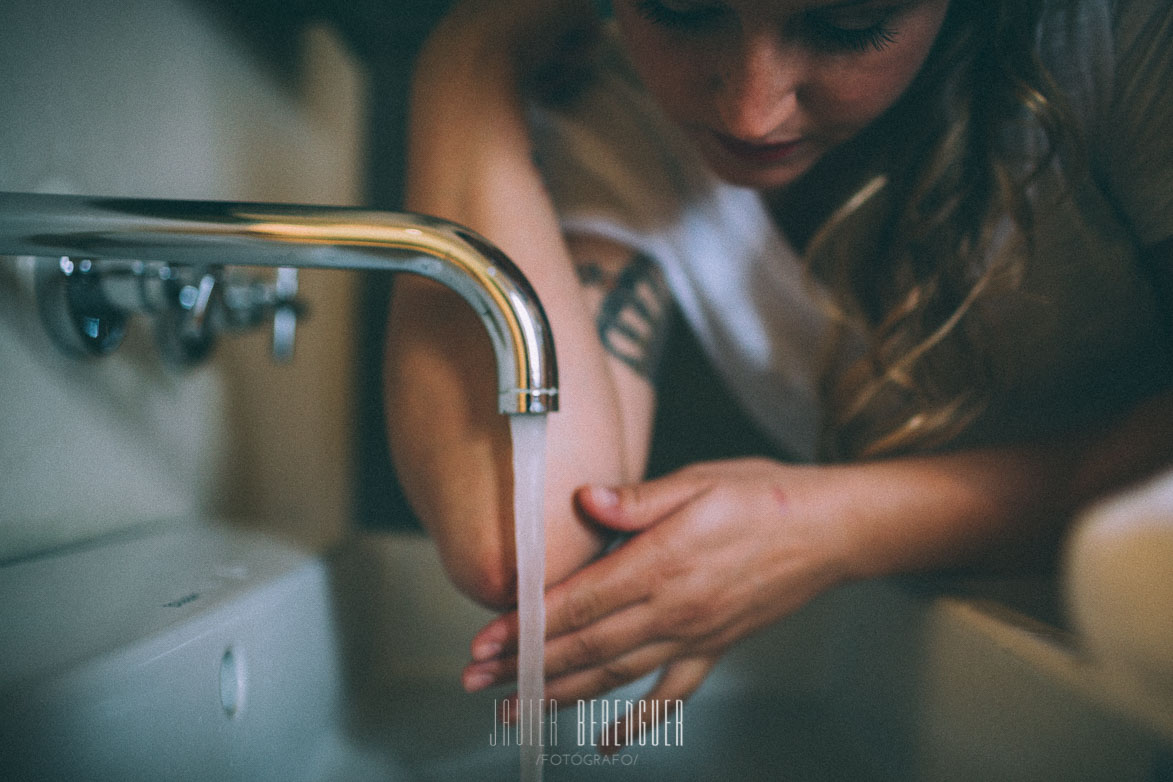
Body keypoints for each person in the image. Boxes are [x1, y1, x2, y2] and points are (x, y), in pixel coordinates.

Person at [384, 0, 1173, 742]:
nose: (749, 111)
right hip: (979, 680)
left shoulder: (1126, 36)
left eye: (847, 24)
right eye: (681, 9)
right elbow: (517, 539)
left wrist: (829, 525)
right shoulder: (619, 105)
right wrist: (469, 55)